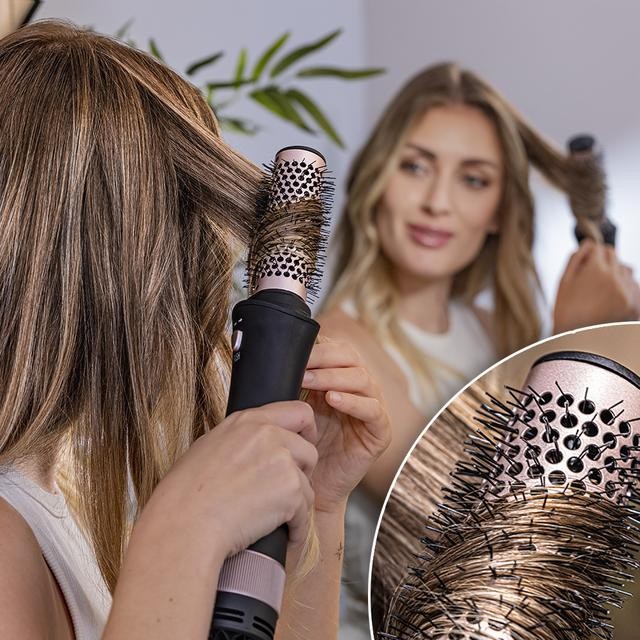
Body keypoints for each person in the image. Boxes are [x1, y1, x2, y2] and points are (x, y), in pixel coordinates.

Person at [0, 21, 391, 640]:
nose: (204, 292)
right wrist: (185, 529)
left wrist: (315, 502)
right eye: (191, 243)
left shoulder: (69, 493)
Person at [315, 62, 640, 638]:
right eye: (415, 166)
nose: (437, 202)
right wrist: (580, 345)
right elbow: (491, 548)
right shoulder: (337, 348)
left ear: (498, 211)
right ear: (376, 179)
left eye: (473, 179)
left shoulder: (496, 330)